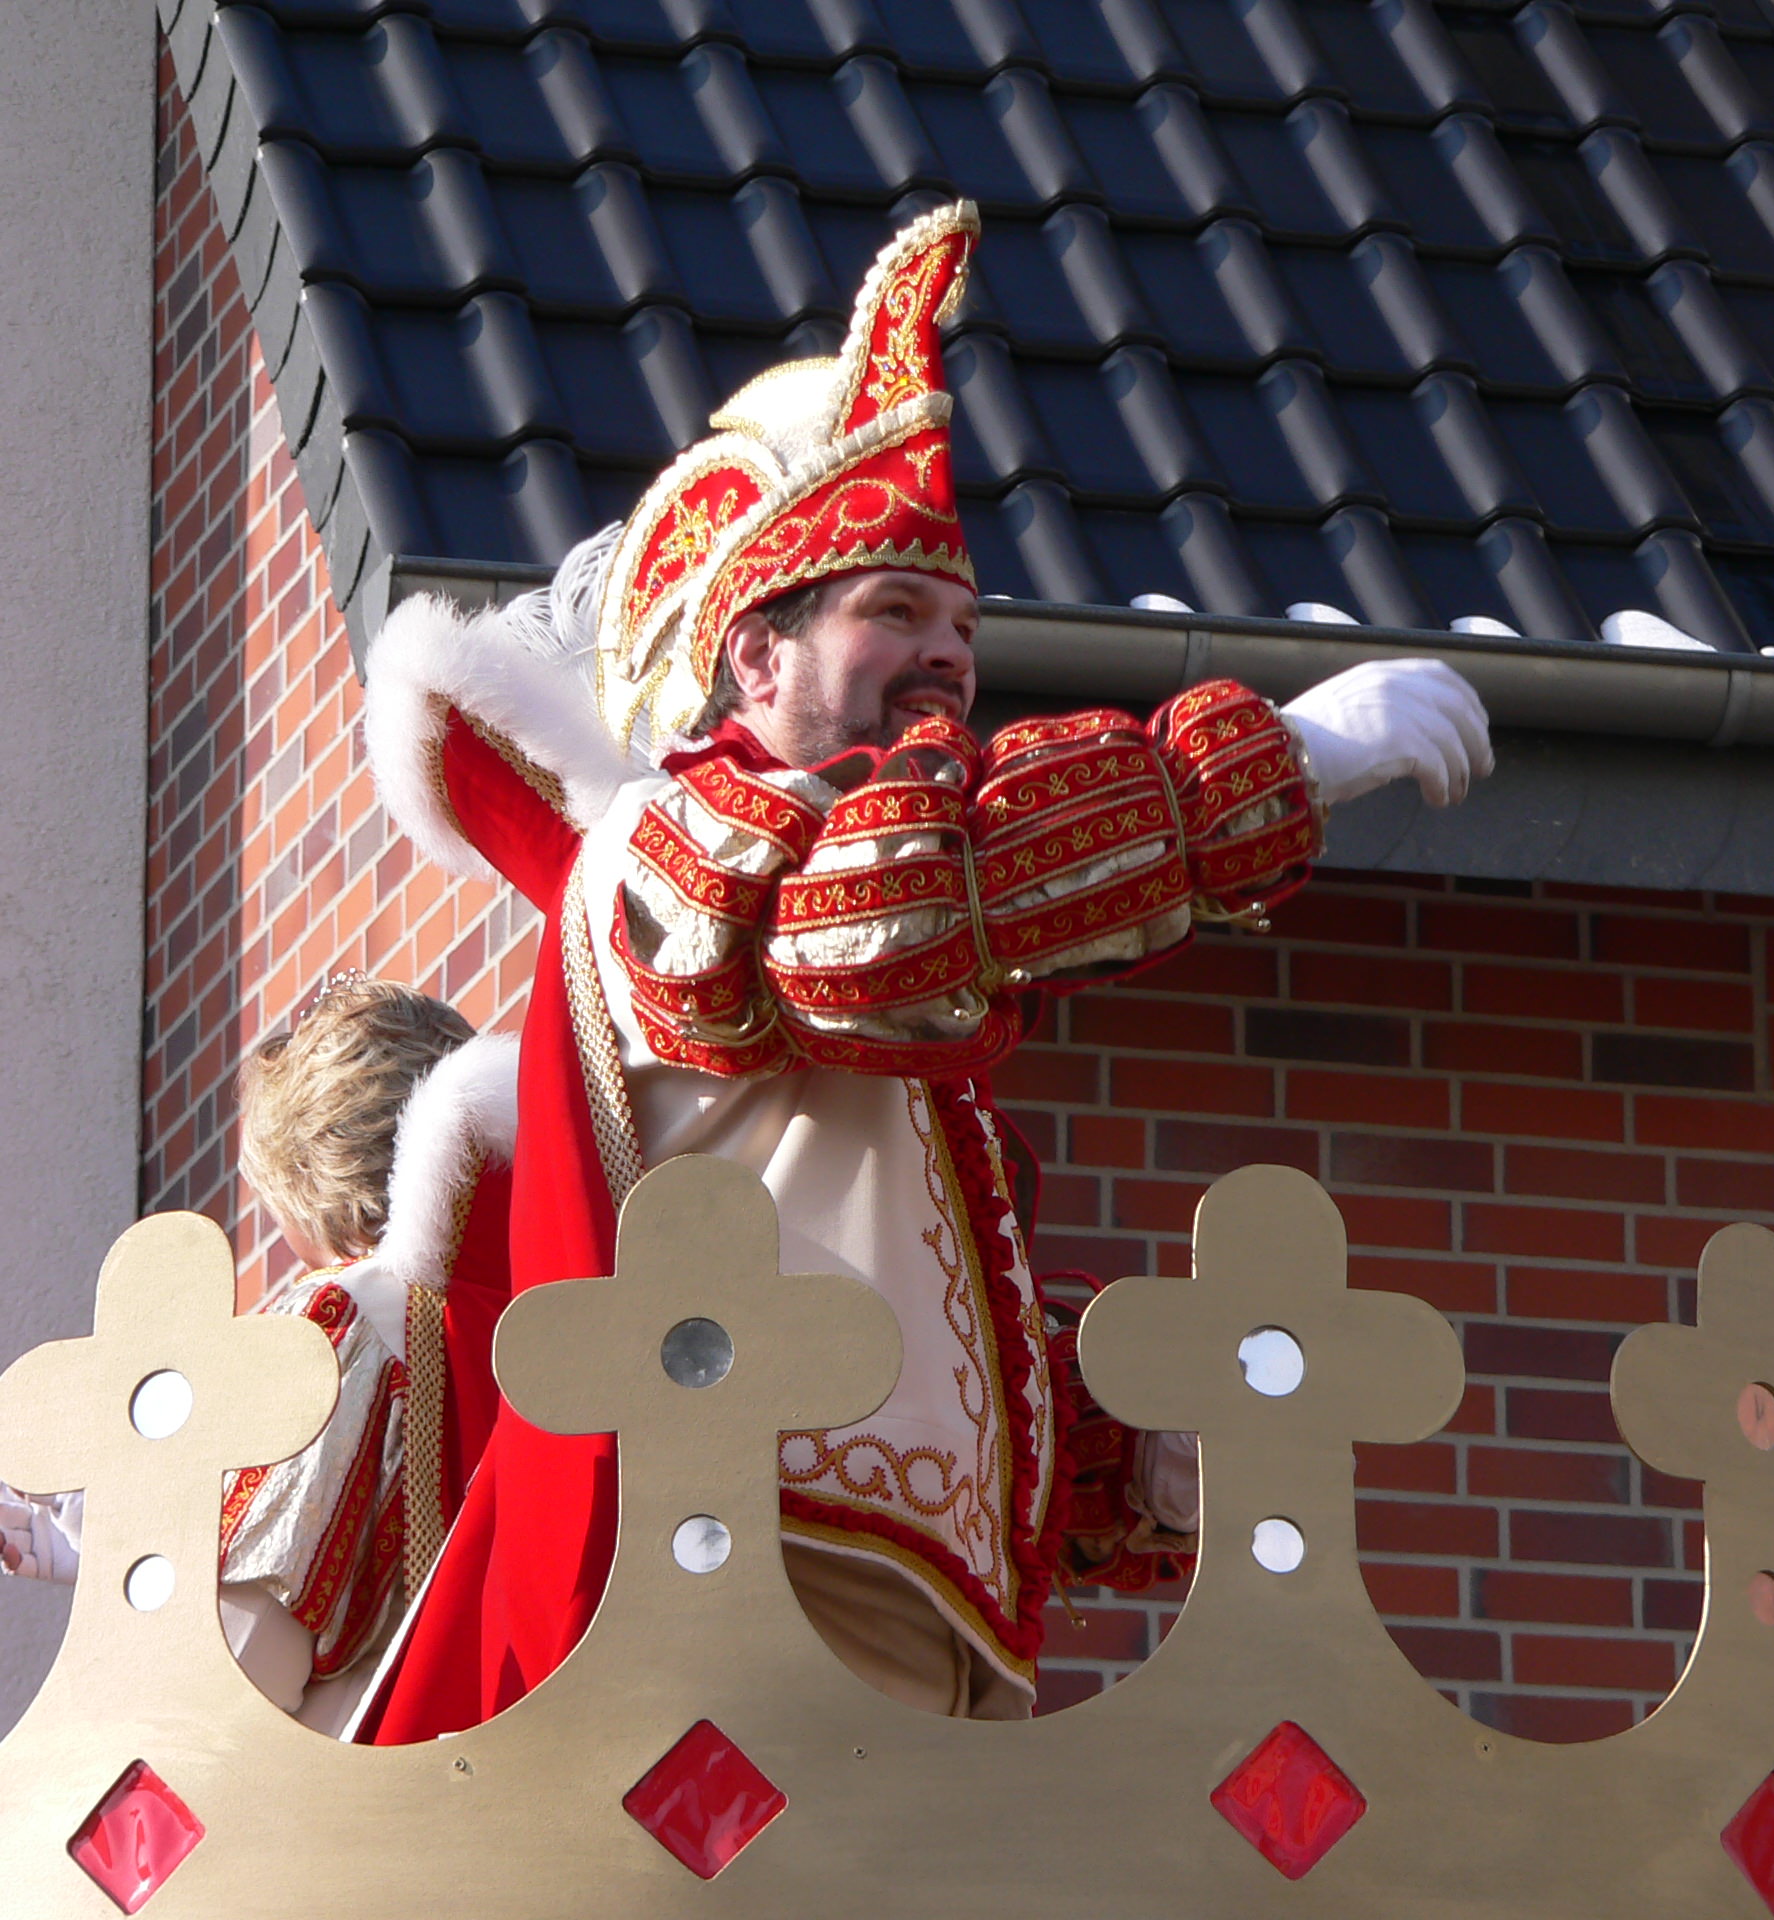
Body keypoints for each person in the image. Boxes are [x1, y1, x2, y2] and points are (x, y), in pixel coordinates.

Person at [355, 198, 1493, 1738]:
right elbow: (876, 924)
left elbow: (905, 1312)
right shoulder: (672, 841)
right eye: (894, 612)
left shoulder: (898, 971)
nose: (950, 654)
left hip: (905, 1624)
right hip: (728, 1591)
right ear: (756, 656)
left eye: (962, 621)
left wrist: (1120, 1455)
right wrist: (1263, 761)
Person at [0, 976, 516, 1733]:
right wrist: (101, 1542)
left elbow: (231, 1671)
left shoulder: (338, 1321)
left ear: (314, 1171)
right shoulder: (523, 1295)